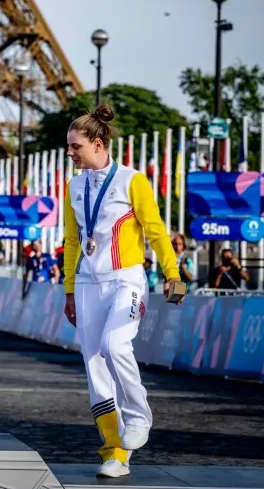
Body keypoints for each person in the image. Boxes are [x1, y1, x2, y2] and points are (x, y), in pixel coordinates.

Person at [61, 104, 183, 479]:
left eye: (75, 146)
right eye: (68, 146)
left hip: (126, 279)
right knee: (94, 366)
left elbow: (156, 230)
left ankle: (139, 416)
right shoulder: (74, 185)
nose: (70, 152)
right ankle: (115, 452)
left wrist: (172, 273)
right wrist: (68, 290)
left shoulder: (133, 180)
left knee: (115, 346)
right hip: (86, 283)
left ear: (98, 144)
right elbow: (70, 240)